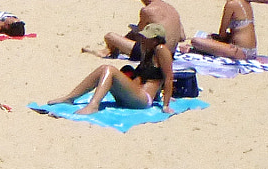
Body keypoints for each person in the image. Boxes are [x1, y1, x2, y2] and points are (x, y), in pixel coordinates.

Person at [48, 23, 176, 115]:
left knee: (109, 69)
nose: (143, 39)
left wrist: (165, 105)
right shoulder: (148, 52)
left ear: (156, 40)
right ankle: (70, 97)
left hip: (142, 99)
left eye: (146, 38)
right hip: (131, 96)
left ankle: (93, 105)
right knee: (103, 68)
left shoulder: (161, 49)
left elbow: (168, 78)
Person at [93, 0, 187, 57]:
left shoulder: (147, 10)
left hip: (154, 55)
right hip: (170, 54)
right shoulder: (172, 9)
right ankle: (108, 50)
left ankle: (106, 52)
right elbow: (182, 36)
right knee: (133, 34)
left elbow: (140, 34)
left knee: (110, 36)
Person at [188, 0, 259, 59]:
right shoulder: (246, 2)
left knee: (196, 41)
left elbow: (222, 34)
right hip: (252, 51)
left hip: (240, 51)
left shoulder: (231, 4)